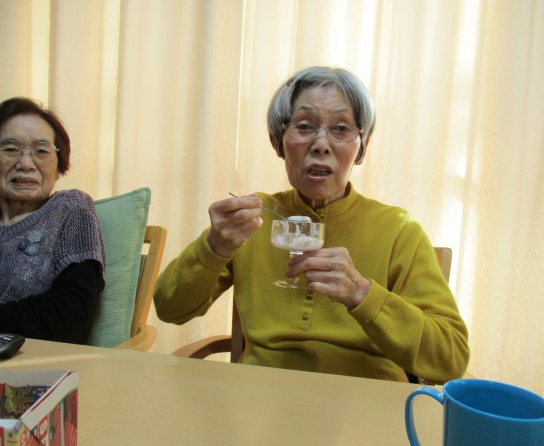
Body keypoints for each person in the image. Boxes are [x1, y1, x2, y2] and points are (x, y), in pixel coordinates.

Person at [154, 66, 469, 383]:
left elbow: (450, 358)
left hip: (366, 401)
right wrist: (214, 246)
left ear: (362, 147)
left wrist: (361, 293)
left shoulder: (399, 229)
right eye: (304, 126)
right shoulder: (253, 219)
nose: (321, 144)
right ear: (278, 142)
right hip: (261, 396)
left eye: (341, 128)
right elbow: (170, 308)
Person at [0, 97, 105, 344]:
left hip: (15, 361)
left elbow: (73, 314)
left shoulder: (71, 209)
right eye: (10, 149)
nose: (26, 164)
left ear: (59, 167)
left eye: (41, 151)